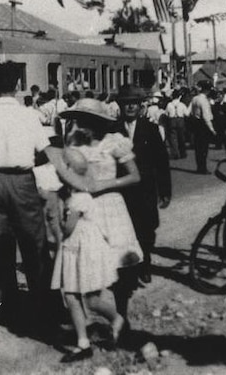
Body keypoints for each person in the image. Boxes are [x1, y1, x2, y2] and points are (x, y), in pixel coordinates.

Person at [0, 62, 71, 333]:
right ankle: (46, 307)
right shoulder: (28, 115)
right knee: (34, 243)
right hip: (22, 181)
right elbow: (45, 149)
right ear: (18, 86)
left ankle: (4, 308)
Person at [57, 98, 143, 321]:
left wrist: (104, 184)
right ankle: (92, 320)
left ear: (98, 122)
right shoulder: (74, 143)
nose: (81, 124)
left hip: (112, 206)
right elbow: (68, 173)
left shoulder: (114, 142)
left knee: (119, 265)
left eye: (87, 120)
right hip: (87, 209)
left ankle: (122, 319)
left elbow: (135, 176)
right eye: (79, 119)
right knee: (92, 263)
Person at [51, 148, 124, 364]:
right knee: (84, 297)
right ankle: (105, 327)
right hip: (86, 249)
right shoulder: (81, 195)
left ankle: (91, 337)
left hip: (79, 249)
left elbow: (67, 229)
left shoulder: (76, 201)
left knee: (78, 296)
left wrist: (56, 218)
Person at [114, 85, 170, 285]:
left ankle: (145, 263)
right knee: (125, 228)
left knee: (147, 228)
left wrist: (165, 191)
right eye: (126, 104)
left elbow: (162, 161)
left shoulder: (151, 128)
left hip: (146, 188)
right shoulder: (113, 129)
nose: (130, 107)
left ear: (140, 106)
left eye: (134, 104)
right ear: (120, 105)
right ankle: (129, 268)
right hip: (122, 189)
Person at [188, 81, 217, 174]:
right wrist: (212, 129)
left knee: (198, 147)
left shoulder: (195, 98)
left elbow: (190, 112)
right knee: (204, 148)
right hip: (203, 125)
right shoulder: (204, 101)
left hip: (196, 123)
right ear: (207, 90)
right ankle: (203, 168)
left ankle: (199, 167)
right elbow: (206, 116)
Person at [163, 89, 189, 159]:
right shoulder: (182, 104)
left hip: (172, 121)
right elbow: (187, 114)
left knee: (173, 138)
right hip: (180, 120)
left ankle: (175, 154)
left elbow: (166, 114)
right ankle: (183, 153)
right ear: (179, 97)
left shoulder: (169, 104)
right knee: (181, 138)